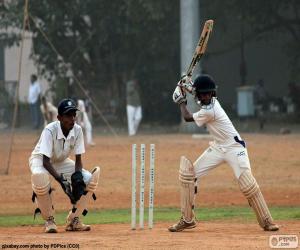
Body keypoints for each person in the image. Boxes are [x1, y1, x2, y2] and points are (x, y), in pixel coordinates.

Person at [168, 74, 279, 232]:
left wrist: (180, 101)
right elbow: (198, 91)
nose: (205, 96)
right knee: (188, 174)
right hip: (218, 147)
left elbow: (186, 117)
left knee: (248, 184)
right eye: (202, 93)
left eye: (208, 93)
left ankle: (267, 221)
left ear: (212, 94)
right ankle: (187, 219)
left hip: (235, 148)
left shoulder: (210, 110)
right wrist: (187, 86)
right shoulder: (206, 98)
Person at [29, 98, 100, 233]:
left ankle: (74, 220)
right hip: (40, 159)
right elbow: (45, 161)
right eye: (68, 115)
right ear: (59, 117)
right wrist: (61, 180)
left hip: (61, 161)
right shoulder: (49, 130)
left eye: (74, 115)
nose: (72, 118)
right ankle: (49, 220)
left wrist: (77, 175)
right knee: (40, 178)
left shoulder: (77, 130)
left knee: (89, 178)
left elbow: (78, 159)